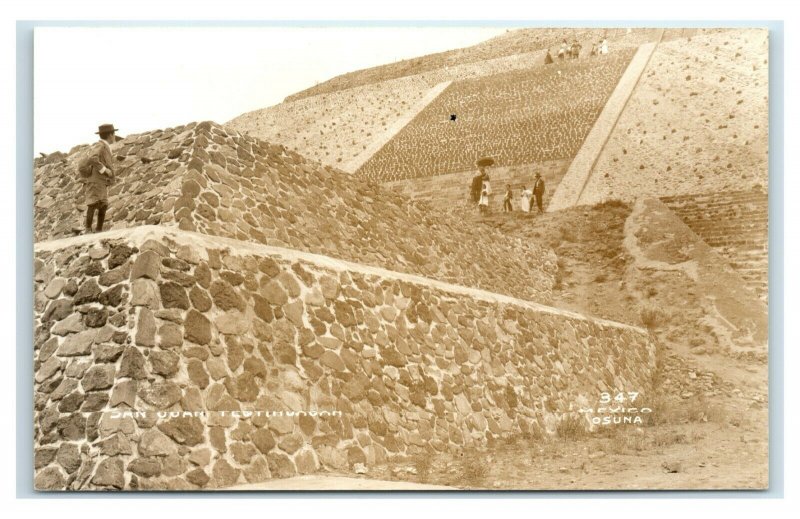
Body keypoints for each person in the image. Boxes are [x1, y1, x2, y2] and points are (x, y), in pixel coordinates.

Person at [78, 123, 117, 234]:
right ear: (110, 135)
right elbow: (93, 158)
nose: (114, 137)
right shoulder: (100, 145)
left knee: (103, 204)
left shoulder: (104, 146)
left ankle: (99, 229)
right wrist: (104, 170)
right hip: (95, 181)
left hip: (100, 181)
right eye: (114, 134)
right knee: (93, 203)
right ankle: (88, 230)